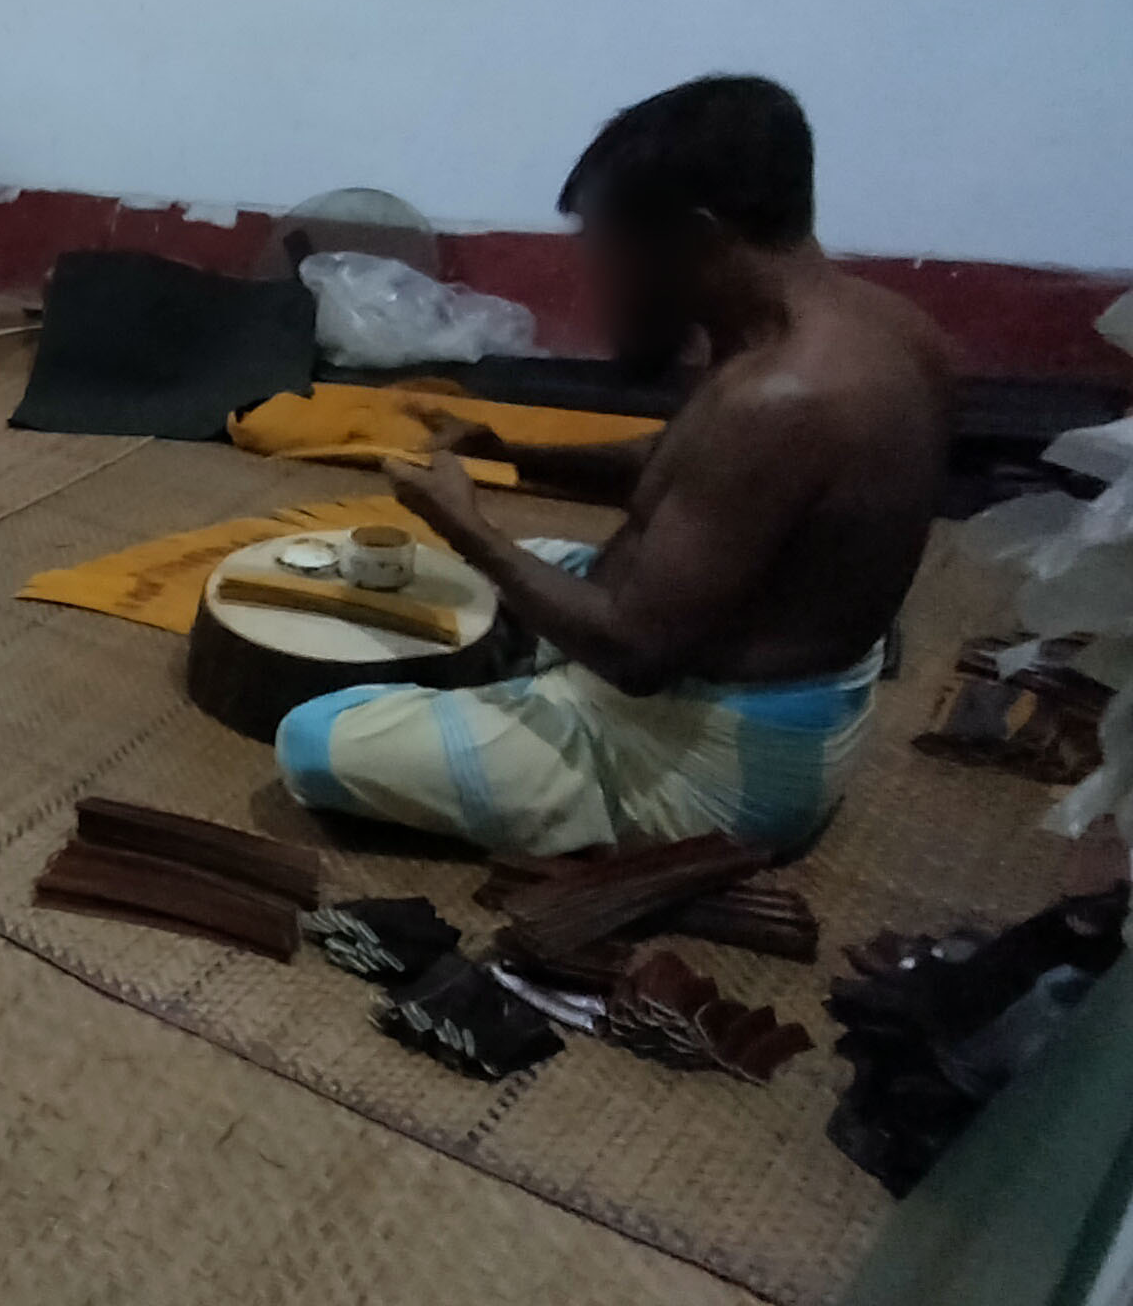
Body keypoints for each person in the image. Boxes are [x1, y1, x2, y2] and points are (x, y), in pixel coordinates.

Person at [275, 75, 951, 859]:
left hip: (712, 762)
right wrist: (510, 454)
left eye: (611, 251)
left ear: (697, 239)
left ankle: (579, 764)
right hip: (738, 668)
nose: (600, 277)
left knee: (316, 738)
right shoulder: (877, 326)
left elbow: (637, 652)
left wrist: (466, 524)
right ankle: (519, 690)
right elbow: (684, 470)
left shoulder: (782, 400)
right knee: (499, 576)